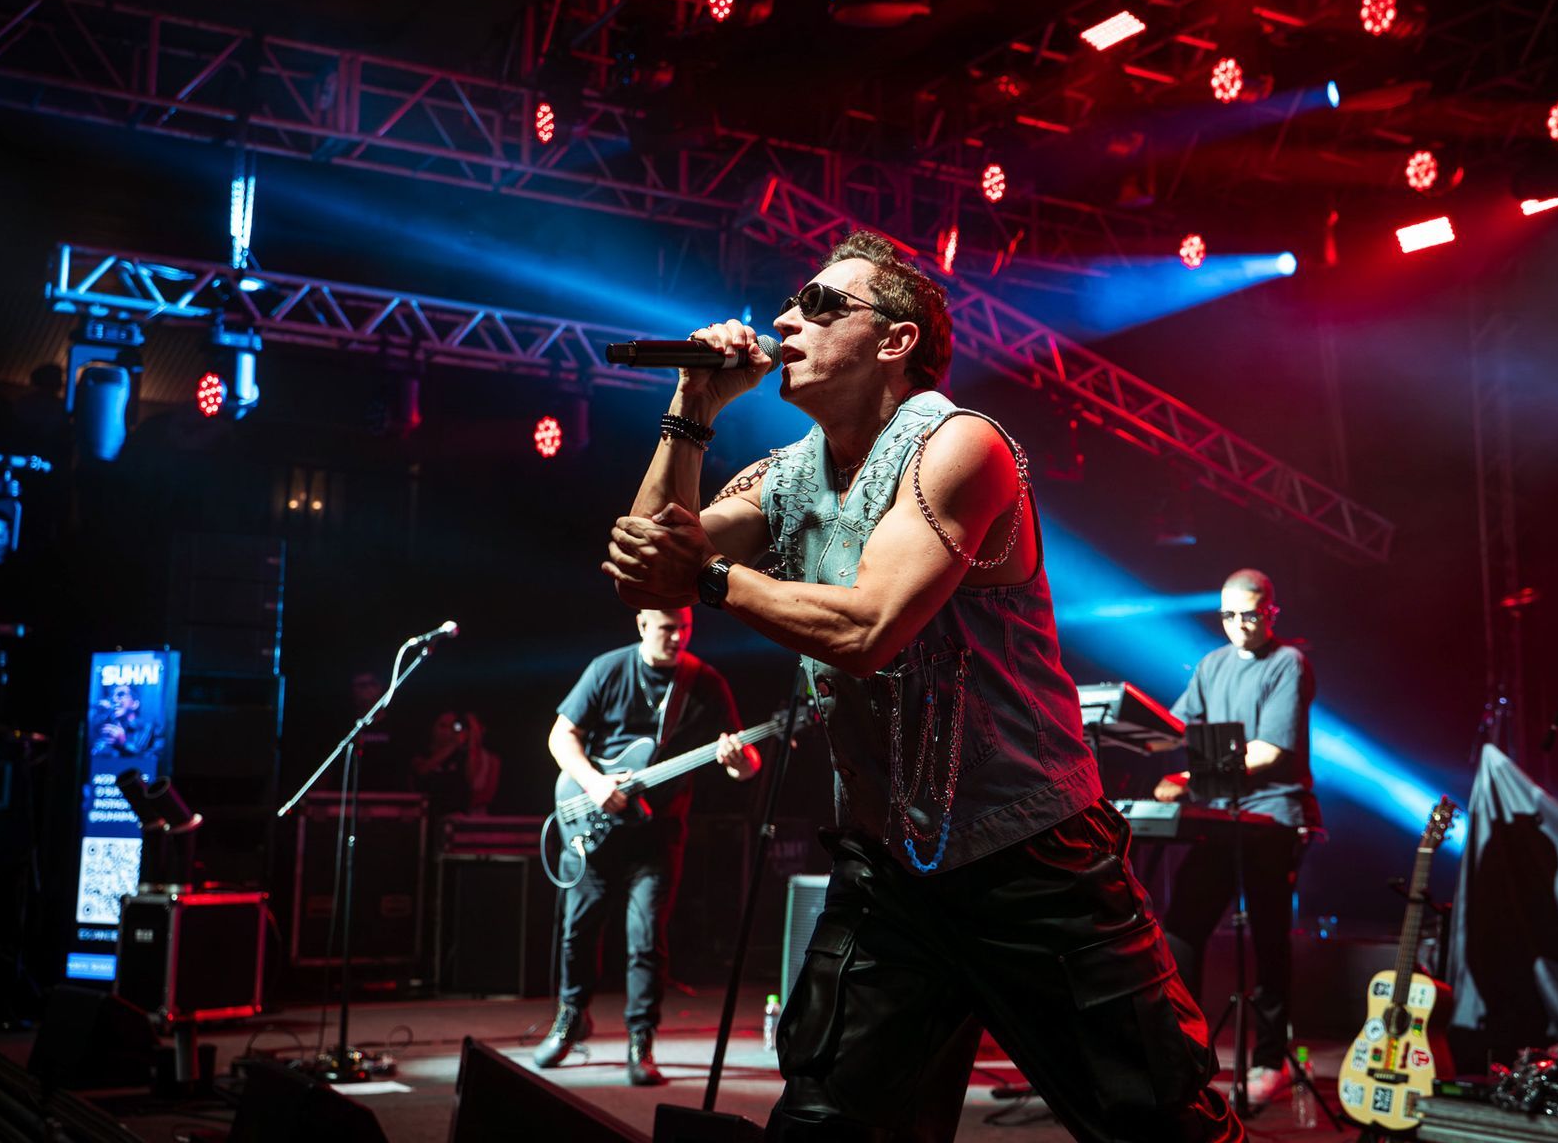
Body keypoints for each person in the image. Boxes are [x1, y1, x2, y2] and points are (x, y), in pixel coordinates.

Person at [601, 231, 1243, 1141]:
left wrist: (707, 574)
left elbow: (867, 629)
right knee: (830, 1122)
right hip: (892, 869)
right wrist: (691, 406)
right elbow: (641, 569)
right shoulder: (787, 476)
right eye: (792, 302)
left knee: (1157, 1122)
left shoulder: (960, 445)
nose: (786, 318)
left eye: (821, 305)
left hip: (1034, 855)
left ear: (895, 340)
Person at [534, 607, 760, 1086]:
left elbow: (745, 767)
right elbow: (561, 736)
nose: (677, 637)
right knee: (576, 932)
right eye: (666, 628)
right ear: (642, 625)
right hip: (591, 828)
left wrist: (739, 760)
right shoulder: (608, 669)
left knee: (645, 941)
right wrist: (595, 785)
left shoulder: (705, 683)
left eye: (684, 627)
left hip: (657, 839)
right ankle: (570, 1018)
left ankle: (642, 1040)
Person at [1151, 569, 1320, 1108]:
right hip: (1220, 815)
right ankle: (1184, 1050)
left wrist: (1189, 779)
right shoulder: (1211, 665)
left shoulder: (1287, 663)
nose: (1238, 626)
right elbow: (1175, 729)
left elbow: (1271, 750)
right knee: (1182, 928)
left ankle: (1271, 1061)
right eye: (1228, 616)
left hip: (1271, 815)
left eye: (1249, 615)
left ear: (1271, 612)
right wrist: (1120, 724)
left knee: (1268, 941)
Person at [410, 711, 500, 817]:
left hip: (454, 820)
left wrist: (472, 737)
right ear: (432, 727)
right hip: (427, 817)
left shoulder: (461, 755)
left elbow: (471, 778)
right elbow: (422, 770)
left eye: (452, 726)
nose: (448, 731)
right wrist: (453, 745)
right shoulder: (421, 752)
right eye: (443, 726)